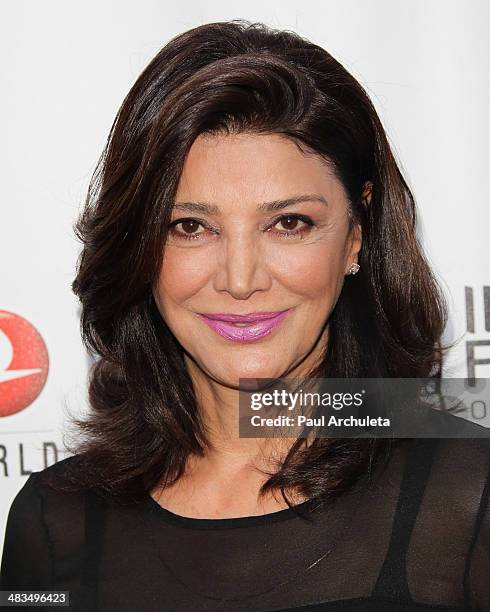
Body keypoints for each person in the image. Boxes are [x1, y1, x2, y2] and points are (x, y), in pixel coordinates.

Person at [1, 19, 489, 612]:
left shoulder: (468, 495)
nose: (240, 279)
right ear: (139, 249)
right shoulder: (55, 520)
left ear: (356, 235)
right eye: (190, 227)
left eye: (289, 223)